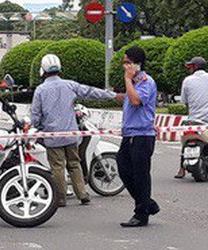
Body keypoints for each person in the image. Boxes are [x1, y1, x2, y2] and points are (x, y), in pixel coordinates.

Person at [31, 54, 120, 207]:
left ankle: (60, 198)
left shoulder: (40, 90)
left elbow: (35, 115)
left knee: (57, 166)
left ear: (43, 70)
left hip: (53, 137)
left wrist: (39, 127)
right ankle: (83, 194)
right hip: (71, 135)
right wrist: (114, 95)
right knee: (74, 163)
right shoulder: (70, 85)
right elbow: (91, 92)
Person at [116, 46, 160, 228]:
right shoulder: (132, 83)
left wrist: (128, 80)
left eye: (128, 62)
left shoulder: (146, 82)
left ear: (137, 64)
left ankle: (141, 214)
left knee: (141, 175)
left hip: (142, 135)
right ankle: (148, 203)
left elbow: (136, 101)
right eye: (124, 62)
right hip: (129, 135)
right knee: (123, 169)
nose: (125, 66)